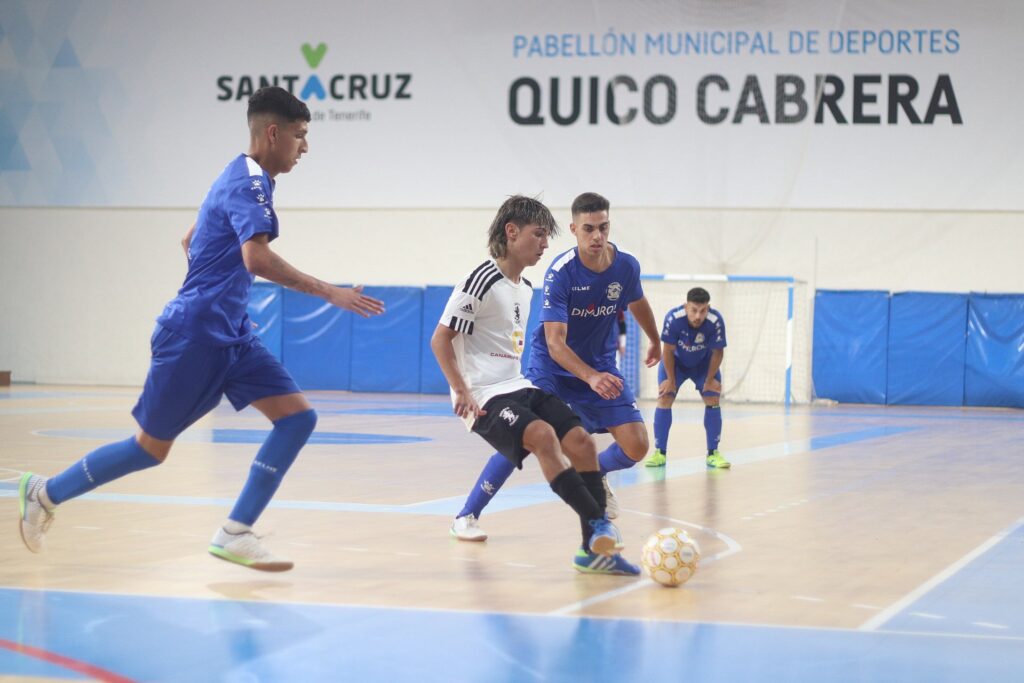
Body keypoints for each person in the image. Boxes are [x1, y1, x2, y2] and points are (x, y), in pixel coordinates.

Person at [17, 86, 385, 572]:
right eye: (300, 135)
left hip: (231, 335)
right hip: (194, 337)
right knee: (149, 451)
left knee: (298, 418)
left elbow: (192, 235)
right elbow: (254, 255)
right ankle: (45, 493)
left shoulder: (241, 176)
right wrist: (328, 291)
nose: (305, 147)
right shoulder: (250, 182)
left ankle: (236, 532)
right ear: (272, 133)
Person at [431, 194, 638, 575]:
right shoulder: (482, 279)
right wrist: (459, 388)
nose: (545, 244)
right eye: (539, 235)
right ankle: (597, 525)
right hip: (482, 395)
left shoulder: (526, 287)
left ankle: (590, 552)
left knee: (581, 441)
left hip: (517, 385)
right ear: (512, 232)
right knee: (542, 436)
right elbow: (440, 339)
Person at [645, 287, 730, 469]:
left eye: (703, 310)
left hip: (703, 363)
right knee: (665, 397)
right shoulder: (673, 319)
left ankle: (713, 453)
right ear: (686, 306)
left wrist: (709, 380)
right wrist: (671, 380)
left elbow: (718, 353)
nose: (698, 316)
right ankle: (660, 453)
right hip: (675, 364)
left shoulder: (715, 321)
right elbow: (667, 351)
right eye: (694, 310)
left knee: (712, 396)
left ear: (708, 308)